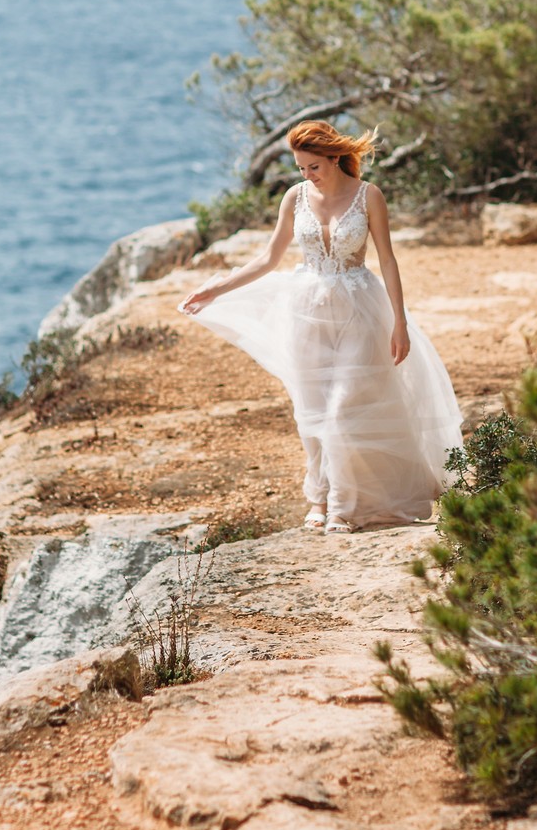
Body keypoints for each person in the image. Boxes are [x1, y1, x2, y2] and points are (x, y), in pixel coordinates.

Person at [179, 120, 463, 535]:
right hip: (306, 310)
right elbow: (268, 258)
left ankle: (342, 509)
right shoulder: (295, 198)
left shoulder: (369, 196)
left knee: (343, 409)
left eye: (314, 166)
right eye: (300, 168)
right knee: (311, 412)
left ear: (334, 157)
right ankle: (319, 497)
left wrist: (399, 321)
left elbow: (387, 260)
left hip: (360, 311)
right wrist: (215, 288)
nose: (307, 175)